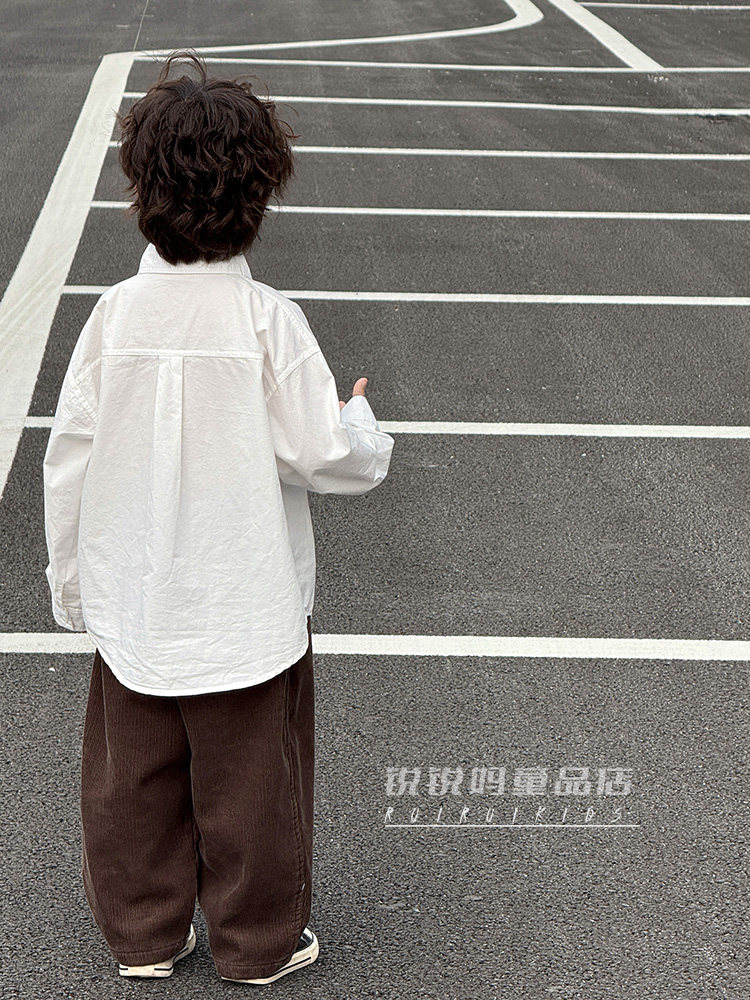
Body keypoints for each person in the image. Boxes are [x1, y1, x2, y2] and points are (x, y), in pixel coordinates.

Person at [42, 48, 394, 985]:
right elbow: (323, 454)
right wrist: (362, 424)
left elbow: (68, 459)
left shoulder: (113, 318)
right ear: (260, 194)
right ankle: (257, 942)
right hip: (245, 602)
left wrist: (73, 585)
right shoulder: (268, 321)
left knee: (129, 780)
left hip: (134, 597)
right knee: (253, 789)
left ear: (140, 190)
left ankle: (145, 936)